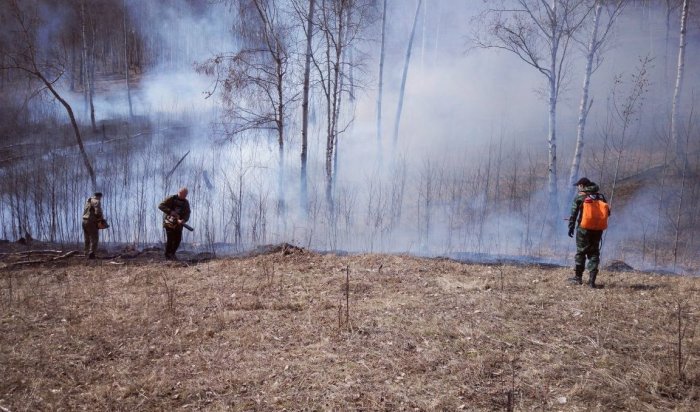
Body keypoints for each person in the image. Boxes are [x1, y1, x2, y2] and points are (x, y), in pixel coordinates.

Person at [567, 177, 610, 288]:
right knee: (594, 253)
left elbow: (573, 213)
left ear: (582, 185)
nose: (578, 188)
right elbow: (607, 213)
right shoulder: (600, 196)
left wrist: (571, 227)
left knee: (581, 252)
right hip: (597, 229)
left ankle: (578, 278)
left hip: (583, 229)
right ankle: (591, 281)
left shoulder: (581, 196)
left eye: (578, 185)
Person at [158, 187, 191, 260]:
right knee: (170, 239)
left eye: (186, 194)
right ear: (179, 193)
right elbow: (161, 206)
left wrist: (184, 220)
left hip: (179, 224)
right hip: (169, 223)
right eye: (184, 194)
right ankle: (167, 256)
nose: (185, 196)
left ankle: (172, 254)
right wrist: (170, 211)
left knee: (178, 240)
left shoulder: (186, 202)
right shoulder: (171, 198)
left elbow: (188, 213)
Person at [82, 192, 104, 259]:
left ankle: (86, 253)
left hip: (84, 221)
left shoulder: (88, 201)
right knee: (94, 238)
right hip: (91, 222)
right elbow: (98, 212)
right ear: (99, 196)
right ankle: (92, 254)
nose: (100, 199)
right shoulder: (97, 201)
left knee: (87, 238)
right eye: (100, 197)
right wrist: (101, 219)